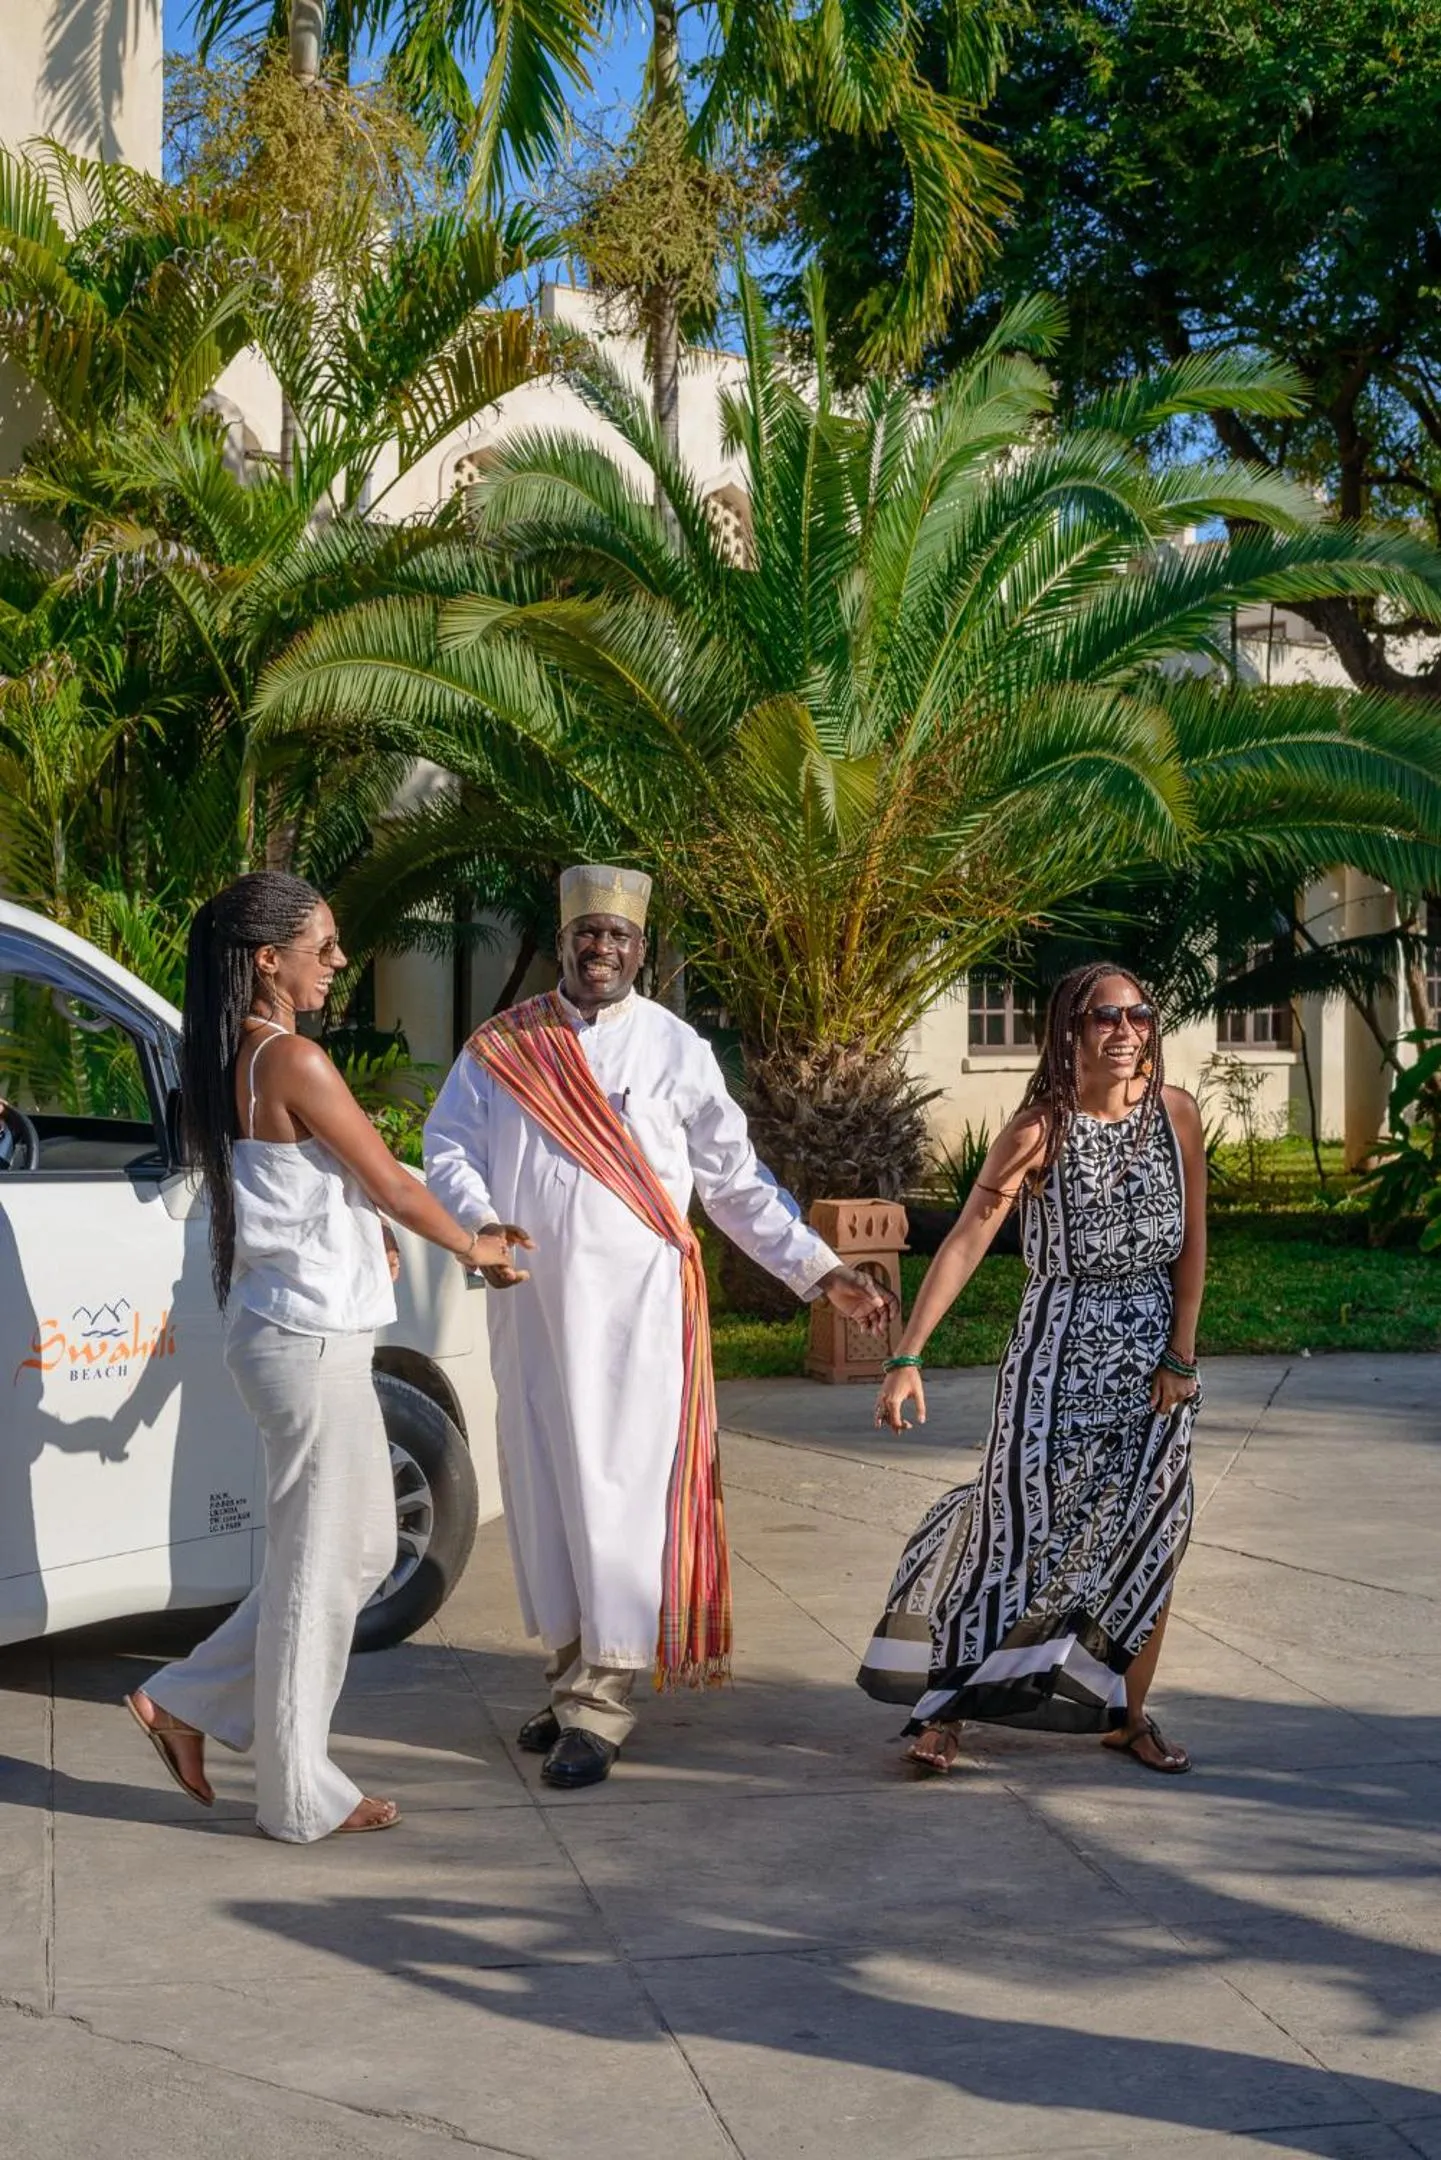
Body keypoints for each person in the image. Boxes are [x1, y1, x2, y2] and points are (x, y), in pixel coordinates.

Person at [424, 864, 896, 1789]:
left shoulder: (676, 1049)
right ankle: (570, 1678)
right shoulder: (502, 1047)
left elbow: (733, 1184)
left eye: (618, 937)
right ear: (563, 943)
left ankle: (600, 1703)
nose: (601, 949)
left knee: (617, 1490)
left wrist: (820, 1271)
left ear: (643, 950)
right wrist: (480, 1222)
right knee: (545, 1486)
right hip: (532, 1307)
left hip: (638, 1314)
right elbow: (447, 1149)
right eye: (586, 935)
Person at [124, 872, 528, 1842]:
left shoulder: (242, 1057)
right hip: (305, 1343)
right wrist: (474, 1247)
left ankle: (186, 1697)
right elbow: (389, 1180)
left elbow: (310, 1190)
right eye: (324, 946)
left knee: (362, 1551)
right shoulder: (292, 1059)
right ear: (268, 960)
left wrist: (361, 1228)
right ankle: (296, 1791)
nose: (340, 962)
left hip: (300, 1335)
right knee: (319, 1566)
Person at [858, 964, 1205, 1776]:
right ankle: (946, 1710)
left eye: (1138, 1016)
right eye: (1104, 1018)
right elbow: (965, 1242)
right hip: (1053, 1365)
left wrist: (1180, 1354)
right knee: (1011, 1535)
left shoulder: (1175, 1114)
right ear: (1068, 1031)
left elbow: (1193, 1243)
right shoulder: (1038, 1130)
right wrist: (907, 1355)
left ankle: (1127, 1716)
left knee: (1150, 1536)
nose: (1124, 1032)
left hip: (1153, 1367)